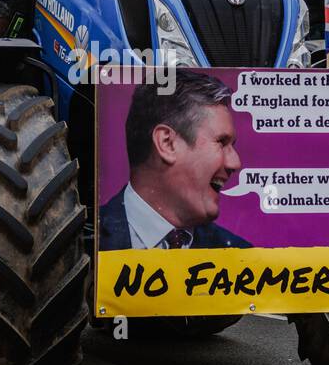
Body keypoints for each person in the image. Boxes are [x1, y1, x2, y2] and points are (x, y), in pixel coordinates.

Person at [99, 70, 252, 251]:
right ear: (167, 143)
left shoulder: (239, 256)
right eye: (221, 142)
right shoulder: (84, 242)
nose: (235, 163)